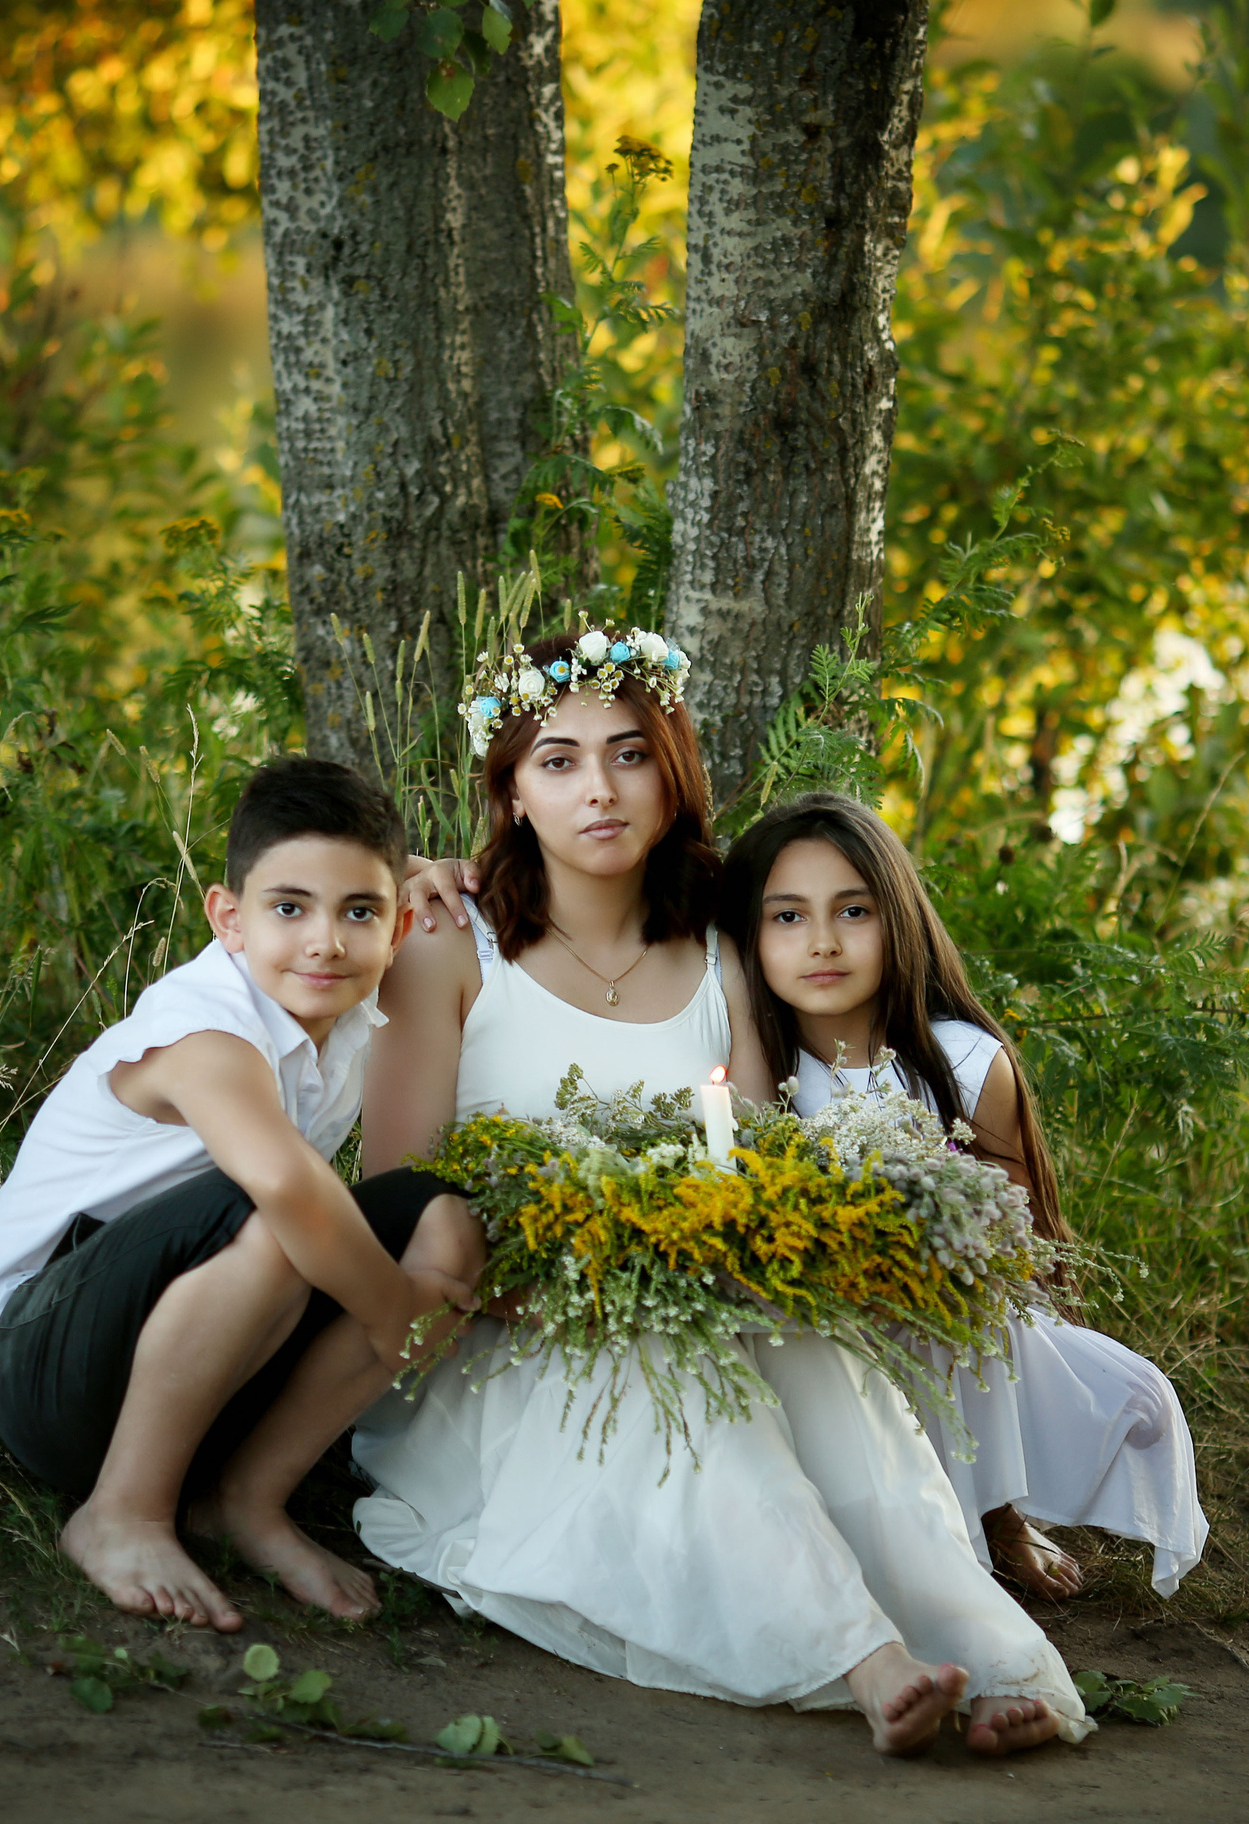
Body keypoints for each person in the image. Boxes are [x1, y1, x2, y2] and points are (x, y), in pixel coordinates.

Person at [353, 631, 1088, 1758]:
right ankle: (866, 1659)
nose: (597, 789)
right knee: (667, 1370)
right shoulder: (449, 949)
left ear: (674, 772)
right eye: (555, 761)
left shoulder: (720, 952)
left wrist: (706, 1273)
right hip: (496, 1340)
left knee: (825, 1362)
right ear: (507, 794)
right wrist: (569, 1293)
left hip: (690, 1303)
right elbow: (394, 1199)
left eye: (630, 754)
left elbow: (752, 1172)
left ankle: (989, 1659)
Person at [0, 757, 474, 1633]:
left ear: (401, 923)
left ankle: (245, 1499)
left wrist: (438, 869)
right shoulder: (206, 1030)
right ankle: (123, 1512)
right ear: (228, 918)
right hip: (38, 1366)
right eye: (289, 908)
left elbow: (379, 888)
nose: (325, 942)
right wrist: (395, 1316)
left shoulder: (337, 1006)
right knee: (279, 1213)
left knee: (440, 1222)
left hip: (188, 1348)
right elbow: (285, 1185)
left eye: (359, 913)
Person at [718, 792, 1209, 1602]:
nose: (825, 942)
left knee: (1113, 1388)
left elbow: (1013, 1254)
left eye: (853, 911)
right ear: (747, 936)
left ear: (898, 919)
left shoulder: (962, 1065)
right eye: (787, 918)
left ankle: (995, 1518)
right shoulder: (747, 1067)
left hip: (948, 1325)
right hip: (803, 1325)